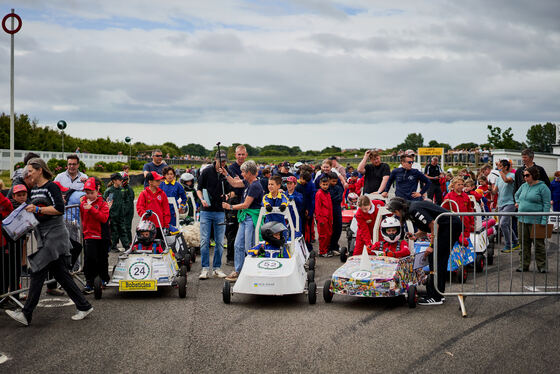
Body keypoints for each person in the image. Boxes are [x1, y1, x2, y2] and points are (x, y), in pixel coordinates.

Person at [5, 158, 93, 326]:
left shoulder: (51, 186)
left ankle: (26, 313)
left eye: (31, 170)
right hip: (43, 236)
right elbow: (33, 213)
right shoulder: (34, 189)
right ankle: (84, 305)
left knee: (37, 269)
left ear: (40, 170)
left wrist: (38, 209)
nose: (28, 173)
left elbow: (59, 209)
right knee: (61, 274)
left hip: (55, 236)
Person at [386, 197, 462, 306]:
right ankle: (439, 293)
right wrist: (415, 235)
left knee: (435, 258)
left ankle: (435, 296)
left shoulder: (414, 209)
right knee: (437, 259)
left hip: (450, 226)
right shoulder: (411, 211)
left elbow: (434, 225)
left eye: (395, 212)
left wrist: (431, 246)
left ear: (399, 210)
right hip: (446, 227)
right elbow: (425, 229)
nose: (396, 215)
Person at [221, 160, 264, 281]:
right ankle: (238, 270)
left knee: (248, 247)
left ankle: (252, 271)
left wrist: (230, 207)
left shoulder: (255, 185)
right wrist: (226, 174)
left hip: (251, 218)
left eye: (243, 172)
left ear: (250, 173)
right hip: (245, 218)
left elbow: (245, 205)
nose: (242, 174)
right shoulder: (248, 182)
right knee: (238, 245)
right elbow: (234, 183)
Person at [196, 151, 231, 280]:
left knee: (220, 242)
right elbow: (198, 188)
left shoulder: (226, 173)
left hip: (220, 211)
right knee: (205, 241)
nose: (223, 163)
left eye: (225, 161)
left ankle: (217, 268)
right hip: (206, 211)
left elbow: (232, 191)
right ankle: (205, 268)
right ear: (215, 160)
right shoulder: (206, 171)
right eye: (221, 161)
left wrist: (228, 196)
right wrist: (202, 200)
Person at [515, 166, 551, 272]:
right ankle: (523, 265)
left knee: (539, 245)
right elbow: (516, 195)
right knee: (523, 244)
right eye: (524, 175)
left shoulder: (543, 188)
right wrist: (519, 203)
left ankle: (542, 266)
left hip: (537, 220)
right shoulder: (523, 186)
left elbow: (546, 204)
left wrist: (544, 220)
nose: (525, 178)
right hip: (522, 220)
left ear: (534, 175)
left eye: (527, 175)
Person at [80, 177, 110, 294]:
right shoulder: (83, 202)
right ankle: (89, 282)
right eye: (87, 193)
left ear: (97, 190)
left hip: (102, 236)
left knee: (102, 258)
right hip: (88, 235)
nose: (89, 195)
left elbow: (103, 218)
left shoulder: (103, 203)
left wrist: (92, 209)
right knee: (89, 259)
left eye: (91, 193)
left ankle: (104, 278)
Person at [225, 145, 247, 266]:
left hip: (246, 200)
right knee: (232, 229)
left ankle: (245, 256)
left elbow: (246, 183)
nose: (241, 157)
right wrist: (241, 182)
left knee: (245, 228)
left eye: (243, 154)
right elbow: (234, 184)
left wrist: (241, 182)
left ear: (246, 155)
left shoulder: (249, 167)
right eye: (239, 154)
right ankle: (230, 257)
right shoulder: (231, 168)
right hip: (234, 200)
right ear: (235, 155)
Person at [492, 159, 519, 253]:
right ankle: (515, 242)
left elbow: (507, 180)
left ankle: (508, 244)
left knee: (503, 224)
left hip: (510, 203)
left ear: (505, 167)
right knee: (505, 224)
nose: (498, 168)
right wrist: (489, 188)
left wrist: (499, 170)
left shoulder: (512, 175)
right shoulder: (499, 178)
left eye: (500, 166)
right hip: (501, 204)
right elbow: (495, 191)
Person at [104, 173, 130, 253]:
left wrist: (124, 210)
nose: (121, 181)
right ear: (114, 181)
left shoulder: (122, 190)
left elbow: (126, 200)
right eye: (119, 179)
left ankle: (127, 246)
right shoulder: (109, 191)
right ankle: (113, 246)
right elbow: (105, 202)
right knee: (114, 231)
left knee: (123, 230)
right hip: (112, 215)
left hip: (121, 214)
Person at [315, 176, 333, 257]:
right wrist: (320, 219)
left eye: (326, 184)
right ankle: (322, 251)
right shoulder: (319, 194)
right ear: (320, 184)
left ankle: (325, 250)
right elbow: (318, 207)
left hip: (328, 218)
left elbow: (330, 207)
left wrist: (331, 218)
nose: (325, 186)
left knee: (328, 234)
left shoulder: (328, 193)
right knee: (323, 236)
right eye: (323, 184)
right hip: (323, 218)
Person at [328, 172, 344, 256]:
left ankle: (335, 245)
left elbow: (339, 198)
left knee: (338, 228)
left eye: (336, 181)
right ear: (329, 180)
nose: (334, 183)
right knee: (330, 229)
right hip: (329, 211)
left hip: (337, 210)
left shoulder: (338, 187)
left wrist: (331, 198)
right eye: (333, 181)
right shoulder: (326, 187)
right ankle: (330, 247)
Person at [121, 174, 135, 245]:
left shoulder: (129, 189)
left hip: (128, 212)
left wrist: (124, 212)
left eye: (123, 180)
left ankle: (129, 243)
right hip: (121, 211)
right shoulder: (120, 188)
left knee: (127, 227)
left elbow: (129, 202)